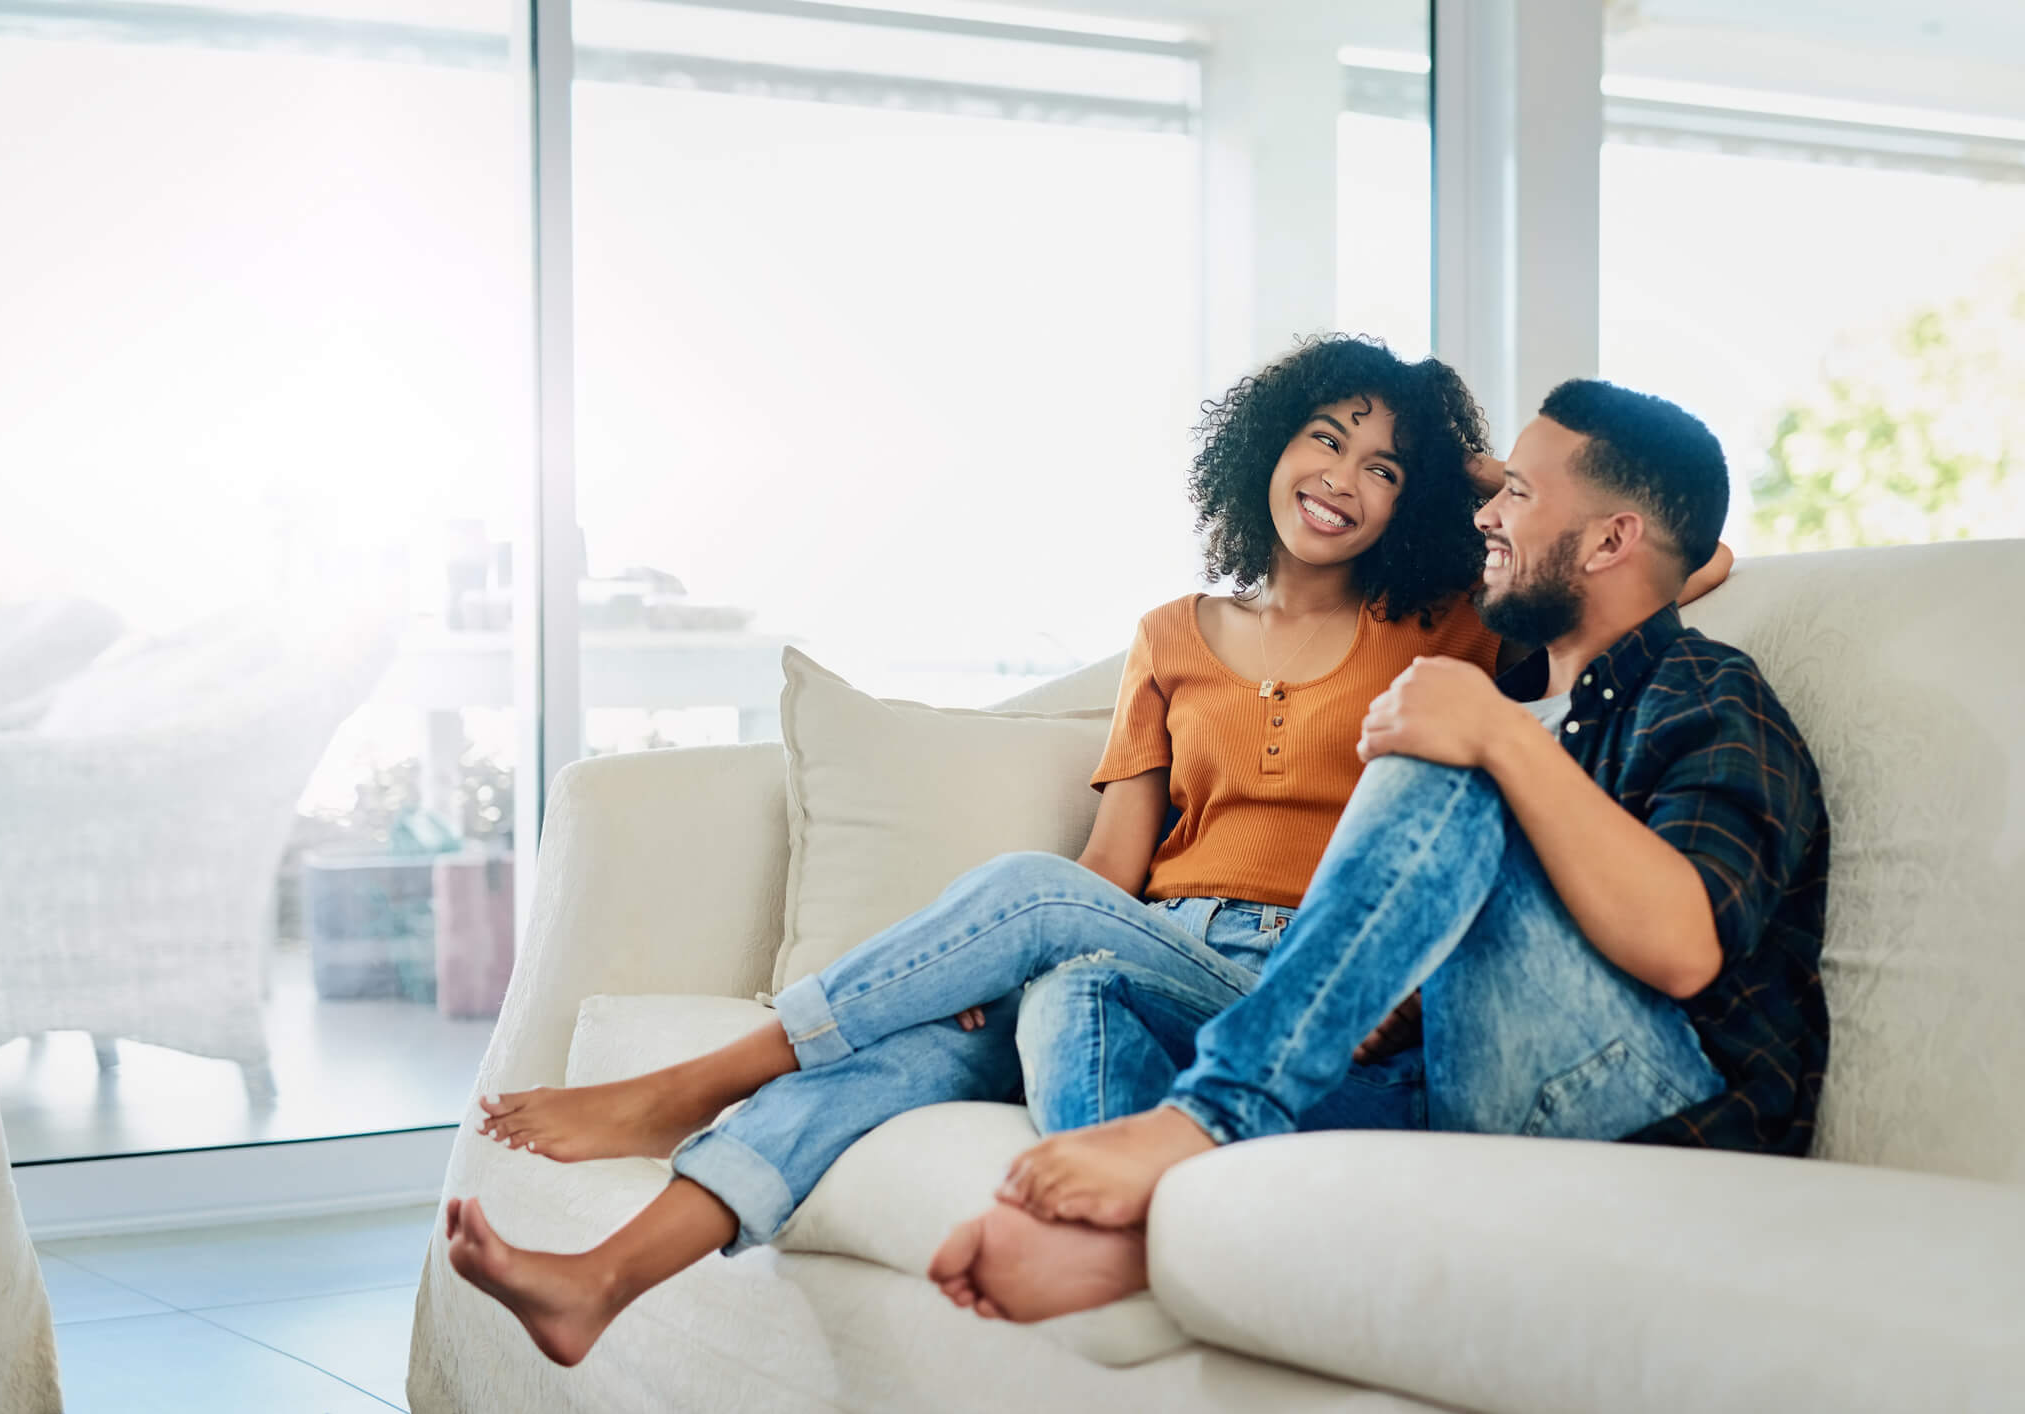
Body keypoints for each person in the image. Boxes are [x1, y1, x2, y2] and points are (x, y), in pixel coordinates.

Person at [440, 343, 1728, 1364]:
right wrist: (989, 968)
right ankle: (603, 1277)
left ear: (1426, 499)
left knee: (1028, 900)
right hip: (1154, 941)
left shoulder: (1445, 623)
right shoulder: (1169, 635)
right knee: (962, 1021)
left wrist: (1454, 452)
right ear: (1262, 448)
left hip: (1298, 974)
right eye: (1323, 436)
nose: (1341, 474)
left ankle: (709, 1073)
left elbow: (1671, 557)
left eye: (1384, 467)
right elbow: (1113, 867)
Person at [928, 379, 1829, 1325]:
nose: (1485, 514)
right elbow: (1493, 950)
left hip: (1649, 1114)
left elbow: (1685, 947)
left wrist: (1492, 734)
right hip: (1460, 1082)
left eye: (1514, 494)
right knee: (1087, 982)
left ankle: (1205, 1121)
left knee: (1435, 742)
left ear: (1610, 542)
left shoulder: (1703, 692)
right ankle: (1138, 1239)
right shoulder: (1526, 700)